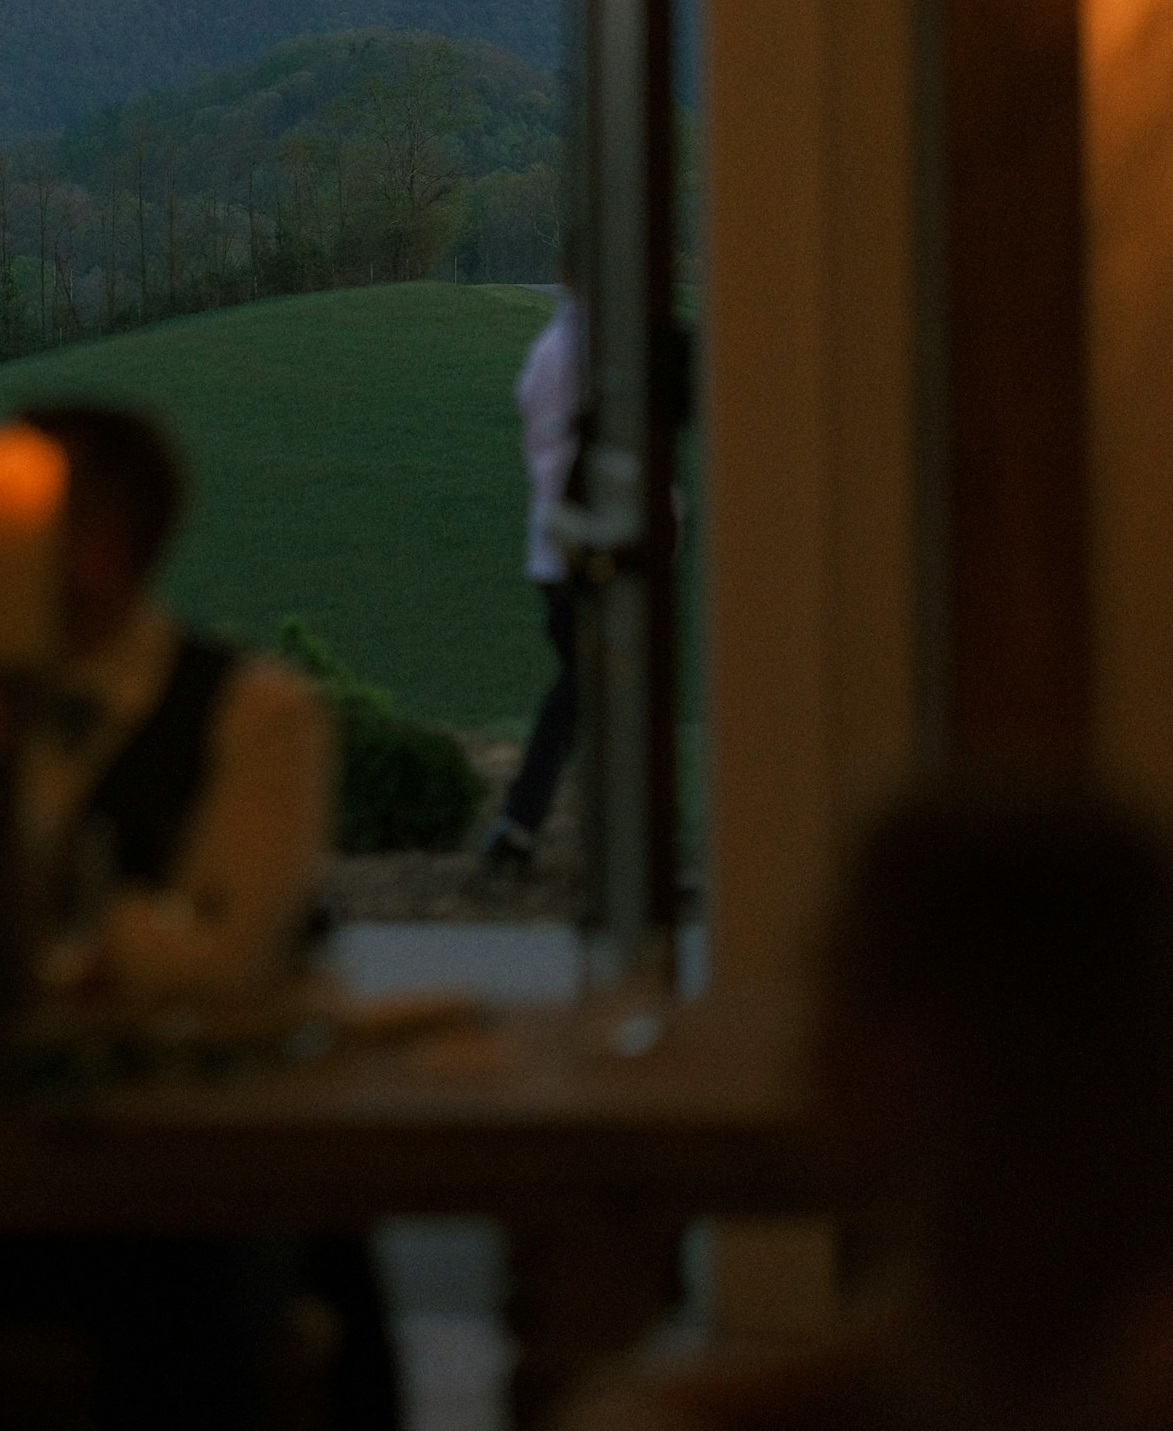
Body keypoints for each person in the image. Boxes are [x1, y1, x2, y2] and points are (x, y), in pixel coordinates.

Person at [0, 400, 399, 1431]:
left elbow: (225, 958)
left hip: (178, 1177)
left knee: (187, 1353)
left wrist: (54, 933)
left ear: (99, 549)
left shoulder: (254, 717)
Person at [567, 785, 1173, 1431]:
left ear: (950, 1037)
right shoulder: (1017, 1273)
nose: (807, 1049)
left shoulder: (1133, 1355)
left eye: (840, 991)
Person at [481, 283, 581, 872]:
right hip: (580, 549)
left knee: (586, 689)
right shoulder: (580, 349)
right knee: (588, 686)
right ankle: (520, 819)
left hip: (558, 548)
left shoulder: (554, 348)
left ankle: (524, 820)